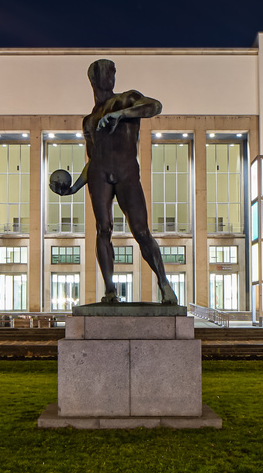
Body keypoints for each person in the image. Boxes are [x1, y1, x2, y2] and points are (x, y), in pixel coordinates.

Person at [49, 59, 178, 304]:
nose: (112, 74)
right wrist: (73, 187)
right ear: (94, 79)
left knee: (141, 231)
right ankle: (110, 290)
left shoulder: (126, 99)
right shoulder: (88, 121)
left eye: (113, 71)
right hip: (99, 174)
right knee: (103, 229)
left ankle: (164, 283)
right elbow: (93, 158)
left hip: (127, 173)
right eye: (107, 71)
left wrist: (122, 114)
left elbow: (155, 106)